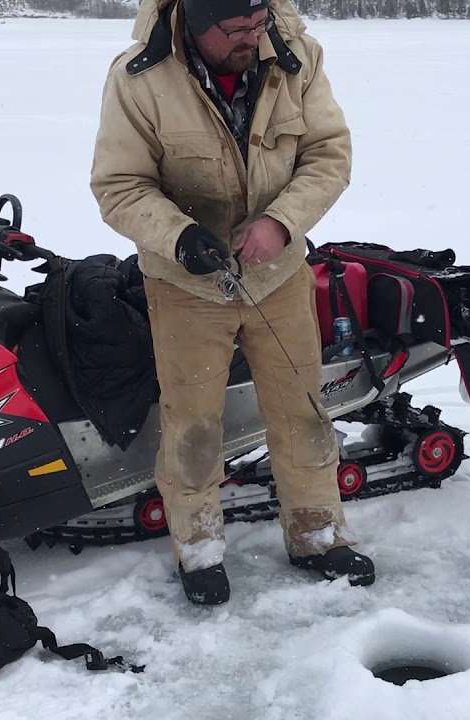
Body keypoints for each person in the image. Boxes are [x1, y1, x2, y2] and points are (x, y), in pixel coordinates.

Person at [89, 0, 374, 605]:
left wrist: (281, 221)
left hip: (279, 276)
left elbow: (329, 154)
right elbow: (118, 185)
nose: (254, 36)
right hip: (186, 288)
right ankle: (198, 550)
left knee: (304, 414)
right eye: (237, 28)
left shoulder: (297, 56)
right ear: (196, 22)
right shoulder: (138, 78)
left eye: (259, 20)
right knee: (192, 427)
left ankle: (319, 535)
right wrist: (177, 234)